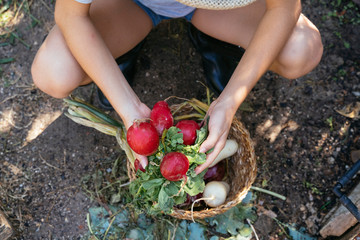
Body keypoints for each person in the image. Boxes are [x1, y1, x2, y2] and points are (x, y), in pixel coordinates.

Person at [31, 0, 323, 174]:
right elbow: (71, 16)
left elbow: (285, 7)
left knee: (301, 50)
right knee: (54, 72)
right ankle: (121, 51)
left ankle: (217, 43)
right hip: (128, 5)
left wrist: (231, 98)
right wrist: (128, 107)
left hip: (211, 11)